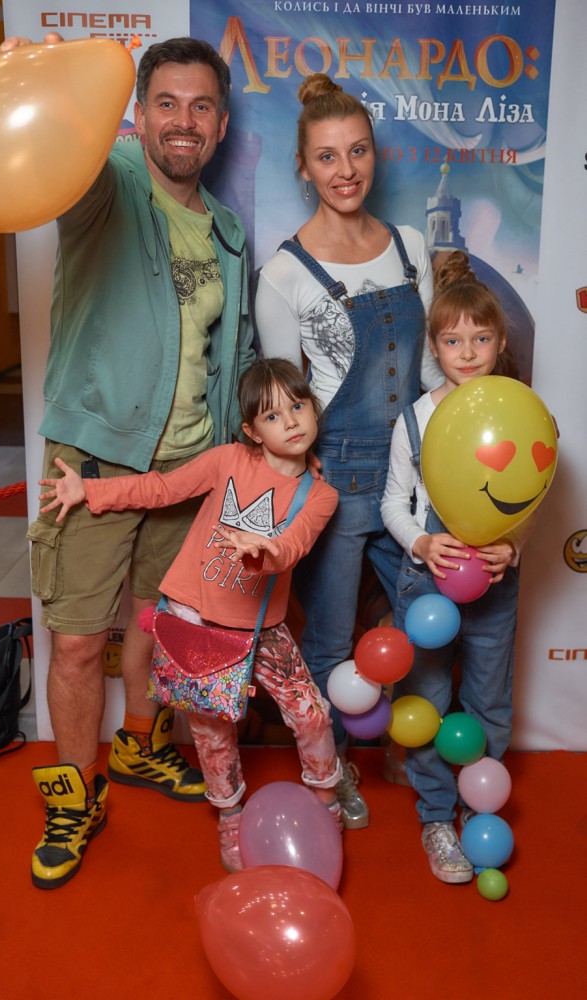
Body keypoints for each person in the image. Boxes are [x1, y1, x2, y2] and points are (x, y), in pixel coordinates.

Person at [0, 34, 256, 888]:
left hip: (186, 468)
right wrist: (24, 79)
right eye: (165, 103)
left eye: (201, 106)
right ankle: (74, 796)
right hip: (95, 462)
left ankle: (139, 746)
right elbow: (50, 153)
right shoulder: (106, 184)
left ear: (220, 125)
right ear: (139, 115)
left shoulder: (228, 230)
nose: (183, 121)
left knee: (151, 626)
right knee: (73, 647)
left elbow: (235, 352)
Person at [38, 358, 342, 873]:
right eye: (272, 416)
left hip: (261, 628)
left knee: (311, 714)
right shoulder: (227, 460)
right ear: (252, 431)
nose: (290, 422)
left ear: (313, 408)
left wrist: (264, 551)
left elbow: (293, 545)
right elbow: (161, 489)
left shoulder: (321, 494)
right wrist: (90, 491)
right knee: (211, 733)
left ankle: (326, 801)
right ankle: (229, 816)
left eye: (297, 406)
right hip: (196, 621)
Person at [255, 73, 443, 828]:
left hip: (415, 475)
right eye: (327, 156)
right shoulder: (283, 274)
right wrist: (297, 490)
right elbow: (283, 405)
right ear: (302, 167)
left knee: (426, 631)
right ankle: (329, 780)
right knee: (330, 643)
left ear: (374, 155)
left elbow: (430, 377)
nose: (345, 170)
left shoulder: (410, 246)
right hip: (335, 477)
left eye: (357, 151)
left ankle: (425, 778)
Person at [381, 250, 527, 884]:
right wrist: (420, 543)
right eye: (452, 340)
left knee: (489, 703)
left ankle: (478, 807)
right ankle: (437, 816)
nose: (467, 352)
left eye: (481, 338)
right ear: (434, 346)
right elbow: (393, 502)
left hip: (494, 582)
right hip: (427, 583)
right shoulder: (414, 419)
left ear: (500, 343)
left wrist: (513, 545)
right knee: (427, 701)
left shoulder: (517, 412)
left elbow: (528, 496)